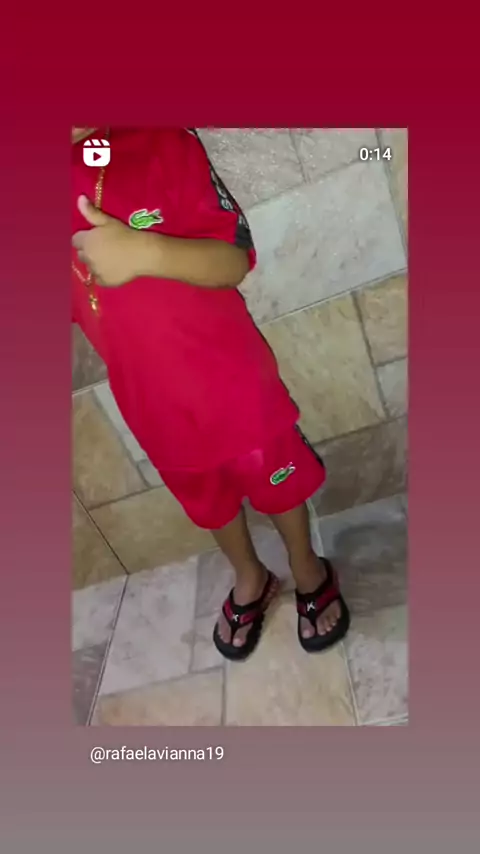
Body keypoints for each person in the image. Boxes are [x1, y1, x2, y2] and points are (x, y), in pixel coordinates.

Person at [72, 126, 350, 661]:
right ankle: (250, 576)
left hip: (232, 380)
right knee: (207, 499)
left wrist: (144, 250)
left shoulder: (161, 141)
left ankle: (306, 566)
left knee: (276, 479)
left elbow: (234, 258)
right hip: (151, 404)